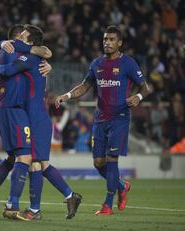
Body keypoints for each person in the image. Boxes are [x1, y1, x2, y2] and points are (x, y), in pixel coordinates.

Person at [0, 24, 82, 221]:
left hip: (37, 117)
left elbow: (9, 69)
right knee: (38, 163)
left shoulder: (30, 58)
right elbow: (42, 52)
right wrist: (2, 43)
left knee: (37, 163)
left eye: (23, 35)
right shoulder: (35, 57)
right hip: (34, 116)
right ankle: (59, 200)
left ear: (29, 39)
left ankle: (40, 208)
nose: (20, 37)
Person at [56, 25, 150, 215]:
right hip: (100, 119)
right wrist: (66, 95)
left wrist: (138, 97)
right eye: (105, 39)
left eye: (112, 39)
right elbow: (84, 86)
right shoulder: (97, 63)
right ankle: (122, 186)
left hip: (120, 117)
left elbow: (145, 88)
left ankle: (108, 204)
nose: (107, 42)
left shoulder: (128, 63)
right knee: (98, 163)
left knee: (111, 159)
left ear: (120, 43)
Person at [0, 24, 52, 218]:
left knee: (12, 158)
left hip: (1, 108)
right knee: (26, 157)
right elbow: (14, 68)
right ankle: (12, 206)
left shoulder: (7, 50)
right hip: (12, 109)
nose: (21, 41)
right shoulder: (12, 49)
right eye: (21, 37)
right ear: (16, 39)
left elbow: (45, 51)